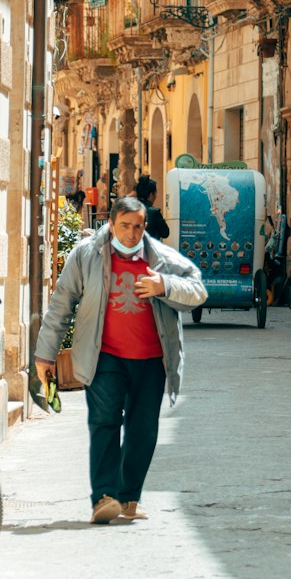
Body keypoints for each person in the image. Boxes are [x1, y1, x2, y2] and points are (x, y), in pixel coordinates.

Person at [34, 195, 207, 525]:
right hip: (104, 357)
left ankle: (129, 498)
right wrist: (46, 353)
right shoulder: (86, 256)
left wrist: (165, 285)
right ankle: (103, 497)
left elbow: (197, 290)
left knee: (143, 431)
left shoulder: (161, 258)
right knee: (105, 421)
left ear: (145, 227)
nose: (131, 233)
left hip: (152, 359)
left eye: (138, 227)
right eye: (124, 226)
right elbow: (61, 304)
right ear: (111, 224)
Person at [135, 174, 170, 241]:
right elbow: (165, 233)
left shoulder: (130, 209)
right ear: (151, 195)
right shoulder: (154, 212)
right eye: (155, 193)